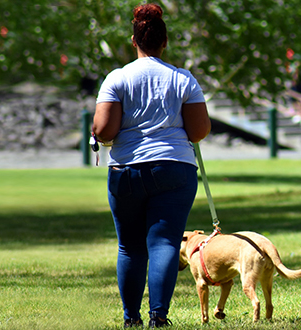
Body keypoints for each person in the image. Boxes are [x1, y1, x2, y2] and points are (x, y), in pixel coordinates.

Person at [92, 3, 211, 328]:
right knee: (165, 242)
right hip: (174, 168)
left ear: (134, 41)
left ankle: (132, 319)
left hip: (127, 170)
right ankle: (159, 315)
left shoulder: (117, 78)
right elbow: (199, 131)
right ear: (165, 42)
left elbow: (104, 132)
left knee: (130, 246)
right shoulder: (183, 79)